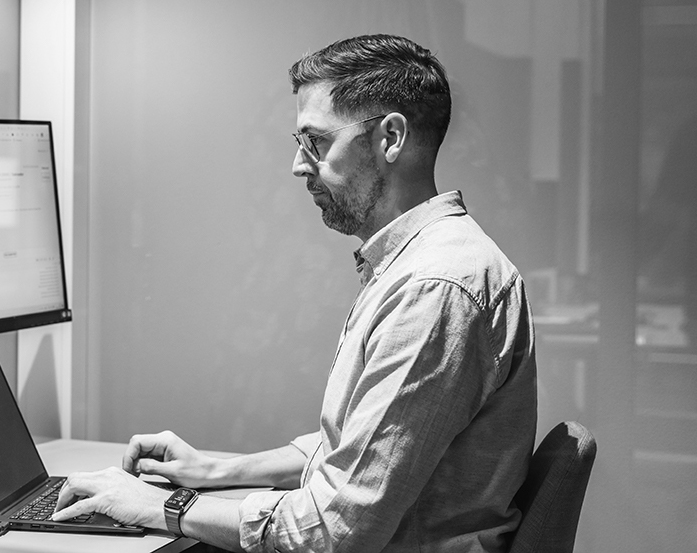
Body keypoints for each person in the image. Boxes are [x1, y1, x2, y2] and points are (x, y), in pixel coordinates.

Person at [52, 34, 537, 553]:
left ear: (391, 137)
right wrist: (216, 470)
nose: (298, 165)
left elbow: (333, 532)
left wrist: (158, 506)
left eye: (316, 142)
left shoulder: (434, 290)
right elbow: (355, 449)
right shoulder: (422, 264)